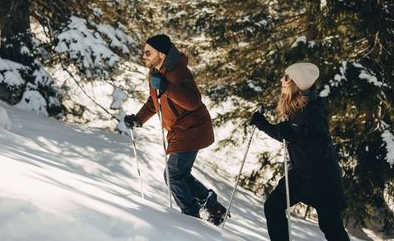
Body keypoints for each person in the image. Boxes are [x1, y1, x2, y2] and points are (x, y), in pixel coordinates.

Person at [124, 34, 227, 224]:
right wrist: (138, 119)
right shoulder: (156, 72)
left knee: (172, 175)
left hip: (192, 129)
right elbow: (153, 102)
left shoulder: (178, 73)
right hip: (180, 131)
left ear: (161, 55)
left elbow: (193, 101)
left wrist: (167, 86)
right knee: (180, 174)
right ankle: (213, 207)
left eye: (148, 53)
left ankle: (191, 216)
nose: (144, 56)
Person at [250, 62, 350, 241]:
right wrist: (263, 124)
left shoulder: (312, 111)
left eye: (287, 77)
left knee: (332, 229)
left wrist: (296, 138)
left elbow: (322, 149)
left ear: (297, 83)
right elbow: (287, 134)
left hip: (323, 181)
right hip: (301, 176)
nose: (282, 79)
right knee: (273, 207)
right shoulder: (296, 105)